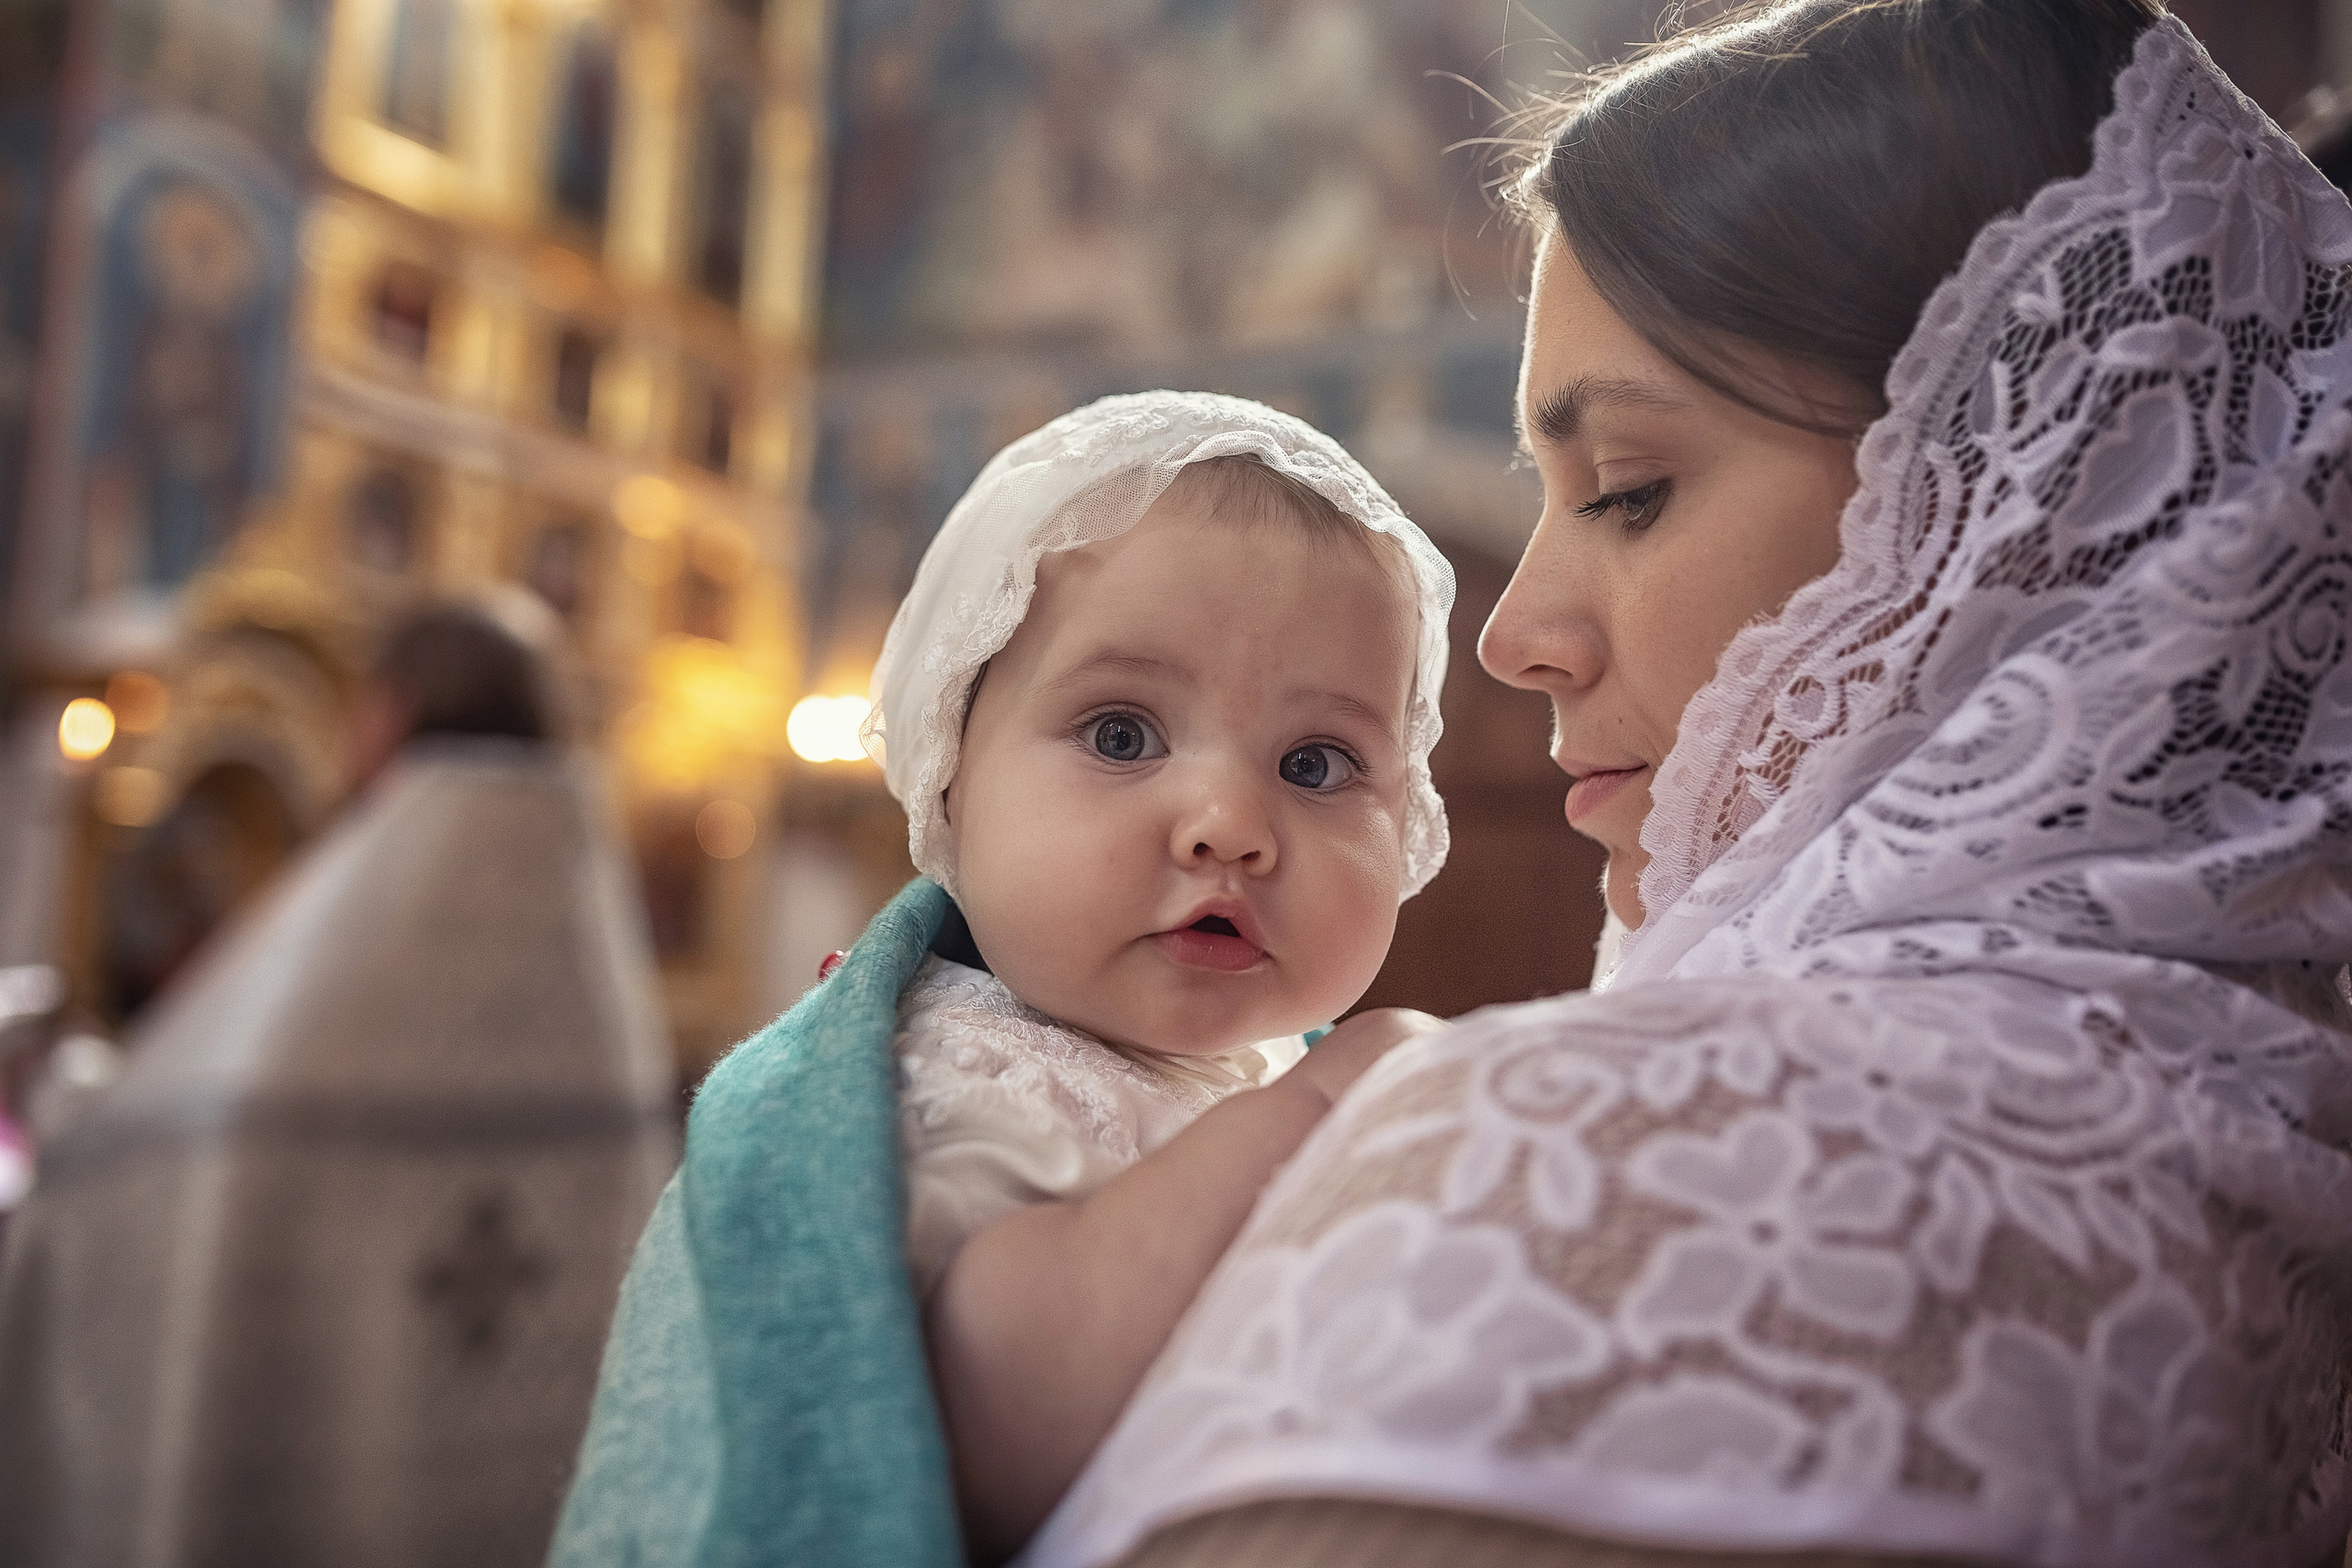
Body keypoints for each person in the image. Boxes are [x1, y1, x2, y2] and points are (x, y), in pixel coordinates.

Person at [1022, 5, 2352, 1568]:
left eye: (1630, 493)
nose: (1515, 639)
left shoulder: (1614, 1168)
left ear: (2041, 505)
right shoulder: (2266, 1155)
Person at [550, 392, 1455, 1568]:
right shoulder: (965, 1070)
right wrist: (1313, 1118)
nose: (1231, 824)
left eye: (1316, 763)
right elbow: (991, 1418)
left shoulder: (1259, 1071)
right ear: (950, 783)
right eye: (1122, 734)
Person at [0, 598, 676, 1568]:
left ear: (391, 711)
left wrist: (62, 1096)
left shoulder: (387, 890)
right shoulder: (580, 908)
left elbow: (185, 1142)